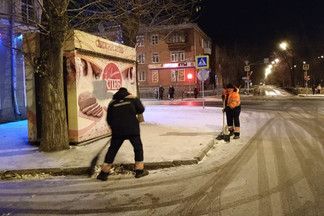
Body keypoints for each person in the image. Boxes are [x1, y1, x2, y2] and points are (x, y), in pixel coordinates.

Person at [97, 87, 149, 181]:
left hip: (118, 130)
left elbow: (109, 119)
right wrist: (132, 111)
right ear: (127, 92)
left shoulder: (112, 102)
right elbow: (141, 109)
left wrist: (114, 128)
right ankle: (139, 171)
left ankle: (104, 173)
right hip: (132, 129)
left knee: (112, 150)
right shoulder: (133, 98)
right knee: (138, 148)